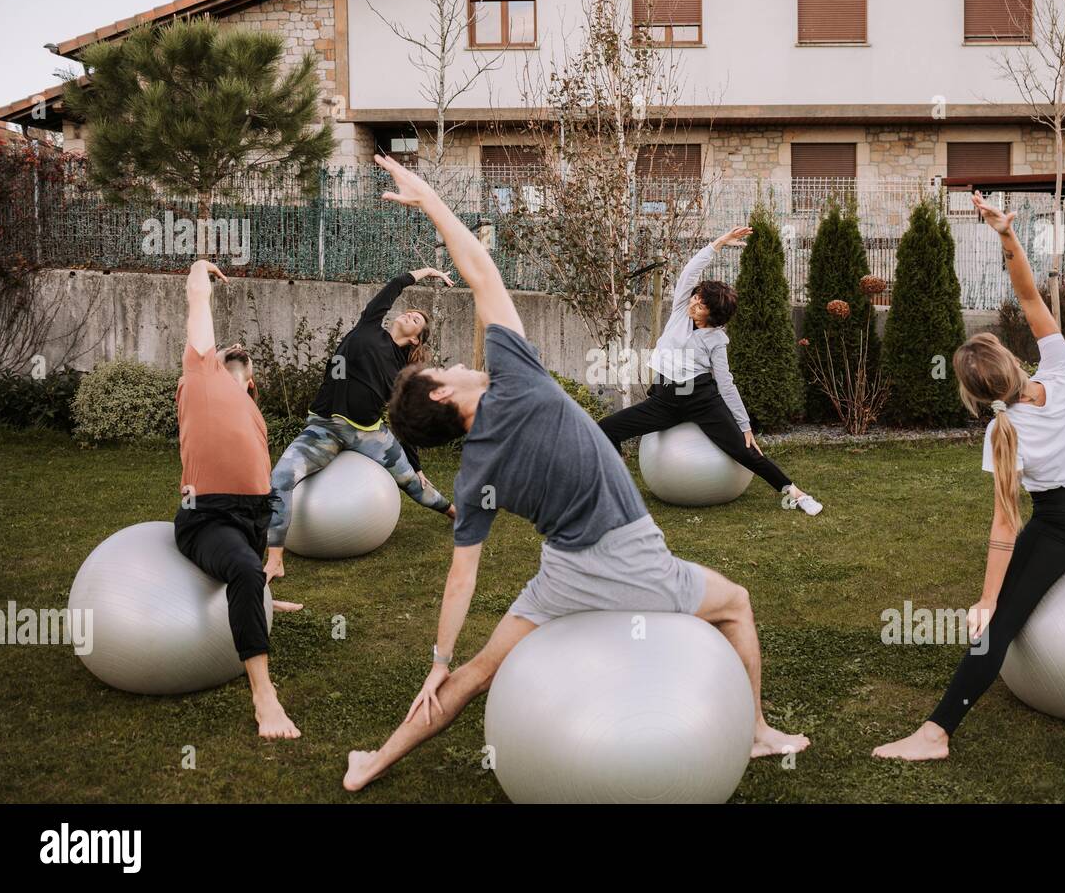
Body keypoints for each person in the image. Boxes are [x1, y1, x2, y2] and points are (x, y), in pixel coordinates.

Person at [342, 155, 809, 791]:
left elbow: (462, 575)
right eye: (443, 371)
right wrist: (430, 202)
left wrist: (439, 659)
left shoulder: (474, 468)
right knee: (735, 605)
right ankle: (754, 731)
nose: (453, 365)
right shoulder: (518, 376)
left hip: (563, 576)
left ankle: (371, 764)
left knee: (476, 673)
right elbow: (481, 271)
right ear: (443, 398)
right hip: (632, 559)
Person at [872, 192, 1065, 762]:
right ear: (1013, 360)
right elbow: (1027, 293)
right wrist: (1005, 234)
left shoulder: (1003, 432)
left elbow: (1004, 523)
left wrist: (988, 600)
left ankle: (936, 733)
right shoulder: (1063, 370)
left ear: (974, 393)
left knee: (998, 629)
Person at [597, 230, 823, 515]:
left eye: (701, 304)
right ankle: (618, 491)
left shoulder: (717, 340)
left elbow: (726, 383)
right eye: (696, 297)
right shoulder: (681, 309)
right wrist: (716, 245)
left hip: (702, 400)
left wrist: (744, 426)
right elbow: (690, 272)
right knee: (606, 429)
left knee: (745, 452)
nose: (694, 302)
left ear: (713, 315)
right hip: (664, 401)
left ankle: (796, 493)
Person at [173, 259, 304, 739]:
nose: (231, 351)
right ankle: (265, 700)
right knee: (247, 572)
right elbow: (197, 302)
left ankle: (262, 599)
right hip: (206, 518)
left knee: (249, 578)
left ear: (250, 383)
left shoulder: (254, 413)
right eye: (223, 350)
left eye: (241, 360)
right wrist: (198, 268)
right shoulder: (200, 375)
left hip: (251, 516)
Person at [265, 264, 457, 580]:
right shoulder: (369, 325)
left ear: (415, 340)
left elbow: (402, 420)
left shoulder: (401, 374)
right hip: (324, 428)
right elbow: (394, 285)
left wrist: (417, 466)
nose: (409, 315)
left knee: (412, 483)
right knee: (281, 479)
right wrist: (430, 272)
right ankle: (275, 559)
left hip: (368, 433)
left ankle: (453, 513)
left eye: (417, 320)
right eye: (409, 312)